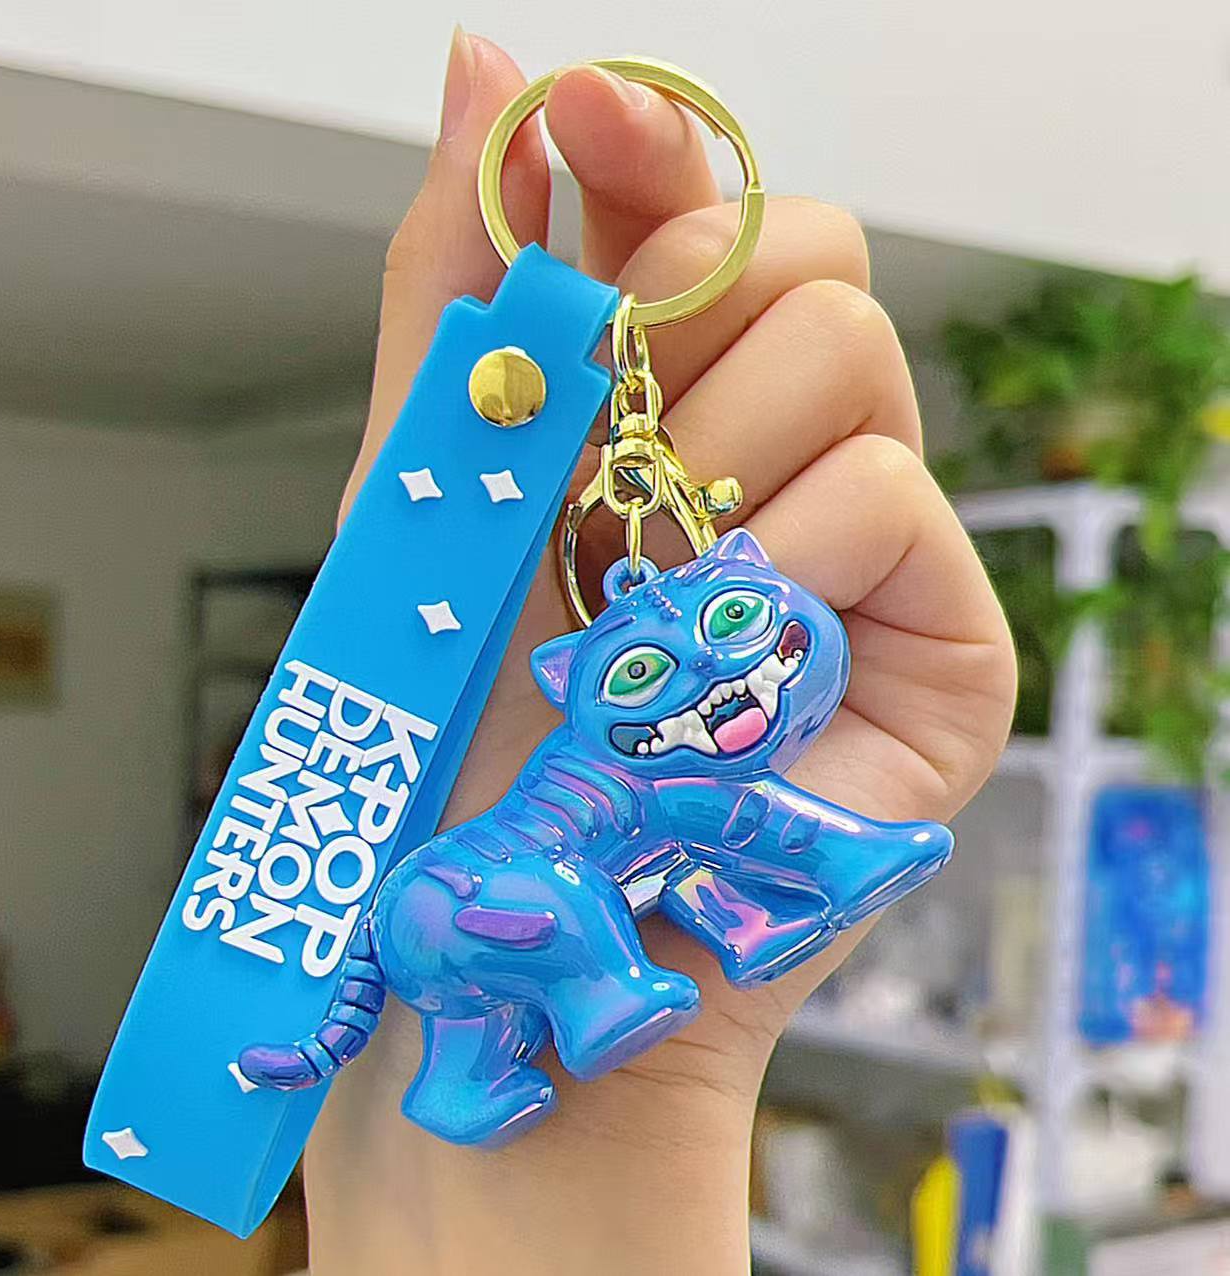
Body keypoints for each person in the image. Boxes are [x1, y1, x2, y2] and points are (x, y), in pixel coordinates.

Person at [306, 29, 1016, 1275]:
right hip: (462, 896)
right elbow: (755, 825)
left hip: (437, 913)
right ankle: (603, 999)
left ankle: (465, 1082)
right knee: (594, 902)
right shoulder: (634, 778)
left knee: (522, 979)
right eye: (640, 674)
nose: (708, 682)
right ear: (570, 689)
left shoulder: (643, 770)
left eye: (731, 627)